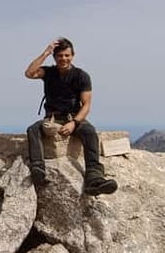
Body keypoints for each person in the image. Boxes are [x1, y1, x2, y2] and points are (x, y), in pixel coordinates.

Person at [24, 37, 118, 195]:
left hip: (73, 117)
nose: (63, 59)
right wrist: (46, 52)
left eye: (67, 55)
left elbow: (86, 104)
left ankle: (94, 178)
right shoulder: (49, 73)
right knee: (33, 130)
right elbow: (29, 73)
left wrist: (74, 123)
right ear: (55, 57)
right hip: (53, 118)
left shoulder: (81, 76)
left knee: (90, 133)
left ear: (72, 56)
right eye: (60, 56)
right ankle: (38, 169)